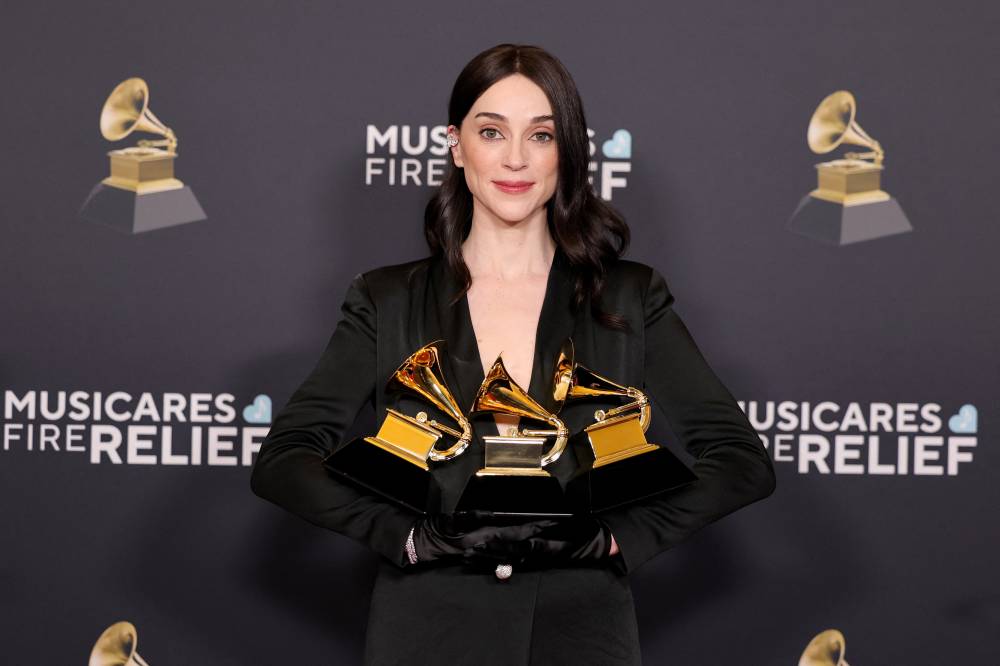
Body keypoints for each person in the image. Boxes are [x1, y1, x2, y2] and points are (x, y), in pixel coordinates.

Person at [250, 43, 776, 665]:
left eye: (542, 135)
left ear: (569, 151)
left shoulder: (630, 297)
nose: (517, 159)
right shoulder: (387, 298)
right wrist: (410, 538)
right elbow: (283, 460)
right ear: (455, 143)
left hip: (582, 633)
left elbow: (742, 461)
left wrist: (615, 539)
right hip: (425, 633)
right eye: (492, 131)